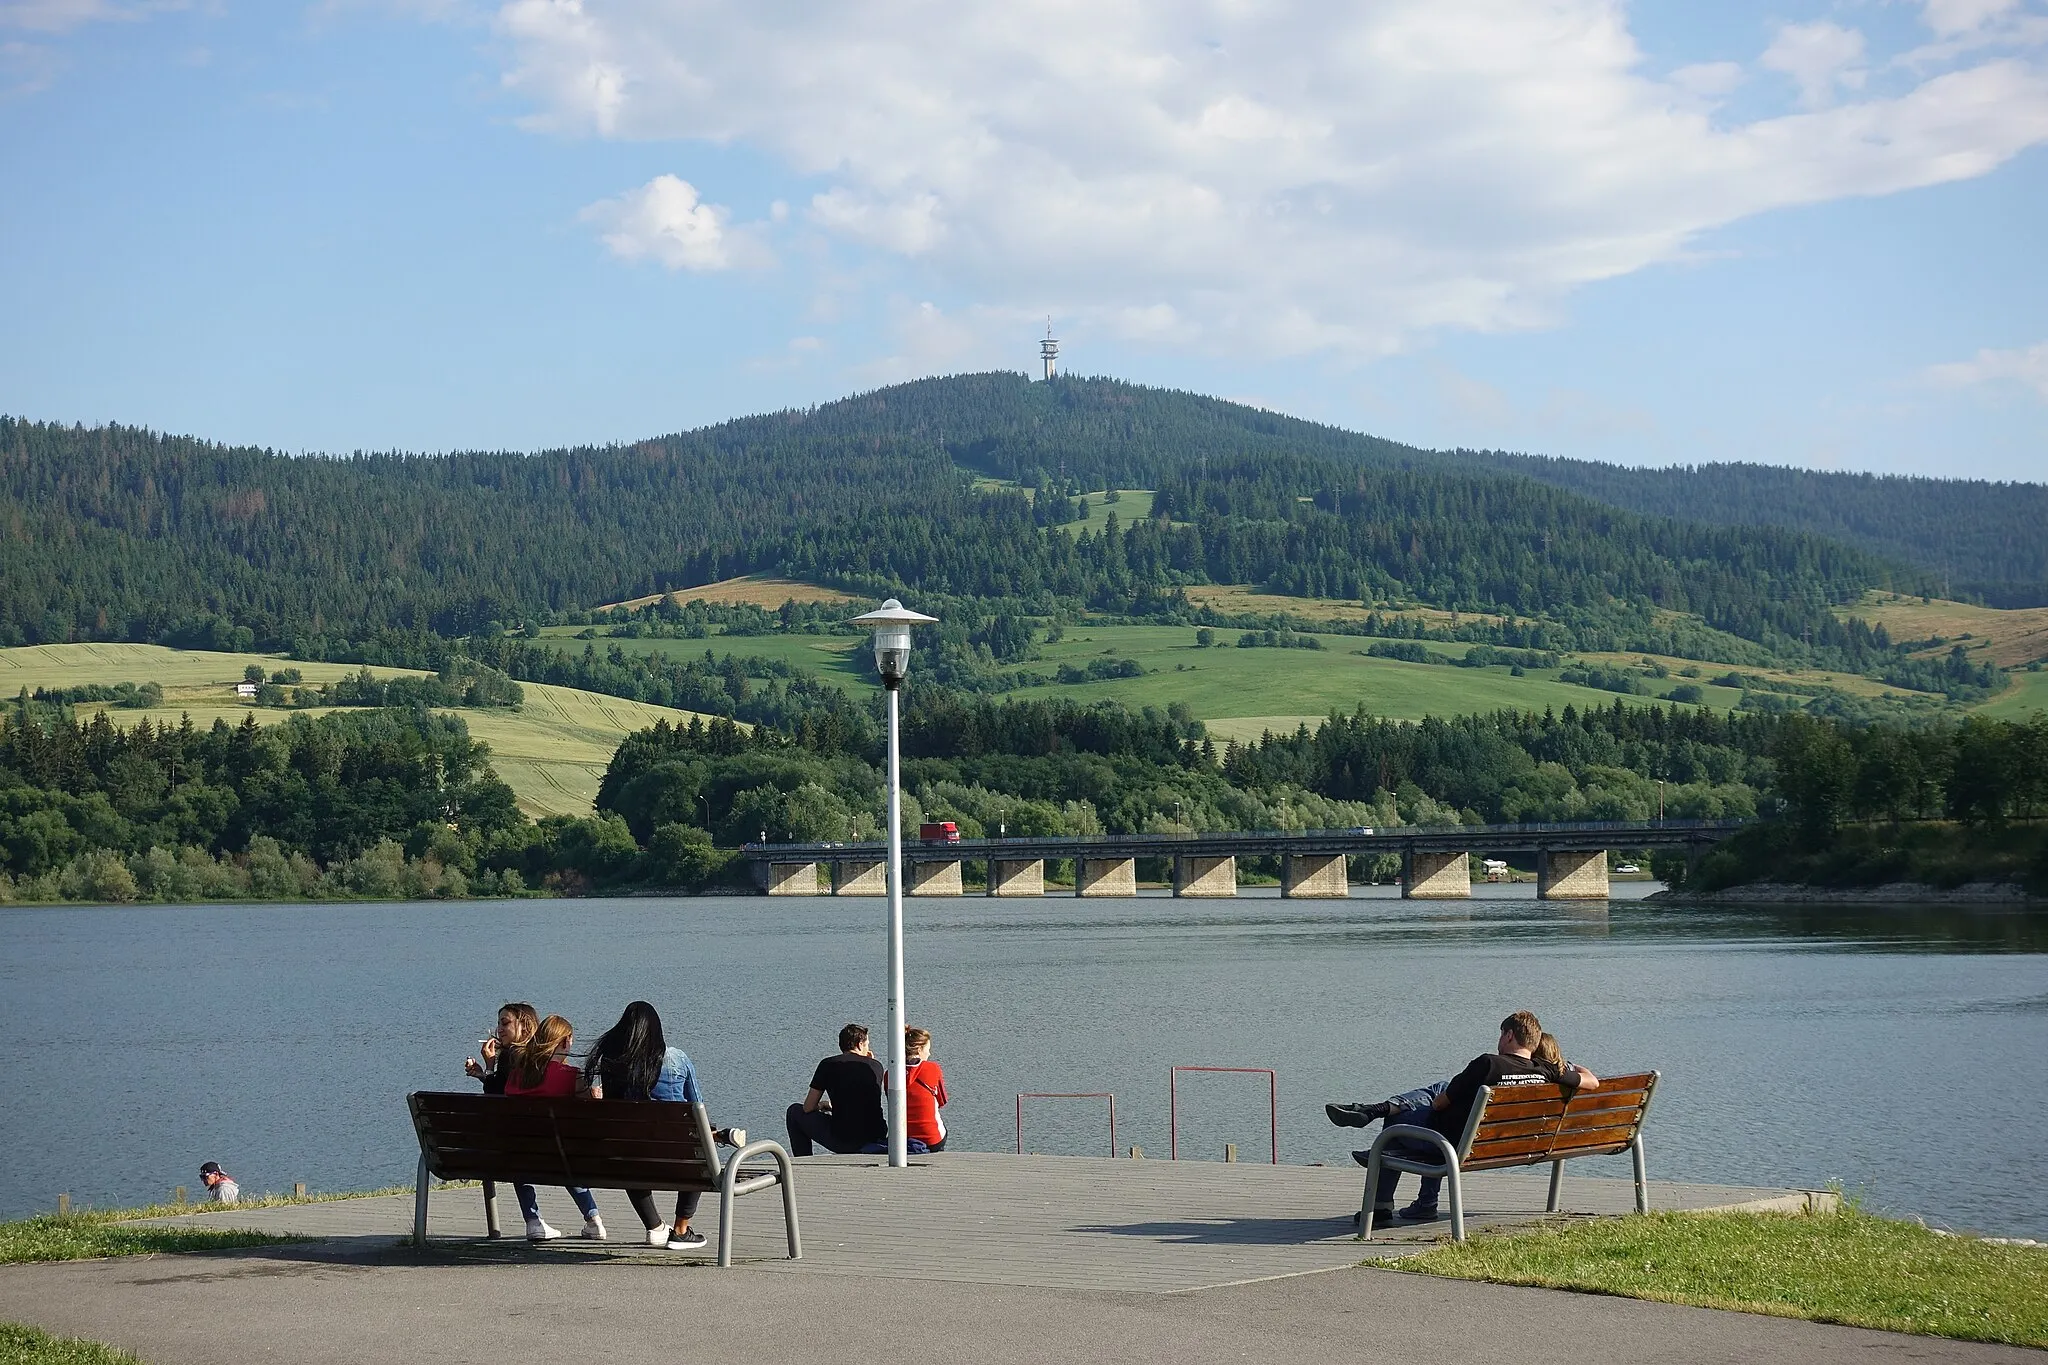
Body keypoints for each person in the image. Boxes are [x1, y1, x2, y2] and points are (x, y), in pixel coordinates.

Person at [1352, 1010, 1573, 1226]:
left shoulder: (1488, 1064)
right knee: (1441, 1097)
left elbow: (1439, 1103)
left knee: (1395, 1125)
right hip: (1505, 1145)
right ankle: (1423, 1202)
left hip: (1455, 1145)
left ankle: (1382, 1205)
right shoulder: (1547, 1072)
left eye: (1501, 1034)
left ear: (1509, 1035)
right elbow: (1586, 1079)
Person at [583, 1000, 742, 1253]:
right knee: (699, 1148)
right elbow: (697, 1106)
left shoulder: (613, 1061)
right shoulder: (676, 1059)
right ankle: (680, 1230)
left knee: (628, 1155)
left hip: (629, 1159)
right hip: (679, 1159)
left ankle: (655, 1227)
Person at [502, 1013, 606, 1242]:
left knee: (522, 1154)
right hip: (563, 1155)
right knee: (565, 1157)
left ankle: (532, 1221)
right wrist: (594, 1096)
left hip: (522, 1154)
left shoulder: (517, 1074)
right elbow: (592, 1115)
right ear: (565, 1041)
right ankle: (594, 1220)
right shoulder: (571, 1076)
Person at [785, 1023, 886, 1156]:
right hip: (875, 1136)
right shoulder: (876, 1066)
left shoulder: (828, 1065)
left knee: (794, 1112)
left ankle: (803, 1160)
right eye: (867, 1044)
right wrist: (870, 1062)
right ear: (860, 1045)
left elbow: (808, 1107)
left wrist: (822, 1105)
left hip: (844, 1140)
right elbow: (861, 1099)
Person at [893, 1026, 949, 1153]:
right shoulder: (933, 1069)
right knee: (941, 1128)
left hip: (901, 1139)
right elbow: (942, 1101)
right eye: (927, 1049)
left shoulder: (890, 1073)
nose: (929, 1053)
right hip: (932, 1139)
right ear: (919, 1049)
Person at [464, 1001, 538, 1095]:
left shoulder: (510, 1056)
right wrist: (484, 1077)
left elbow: (495, 1096)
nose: (499, 1029)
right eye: (499, 1024)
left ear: (524, 1025)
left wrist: (489, 1067)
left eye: (505, 1023)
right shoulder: (539, 1053)